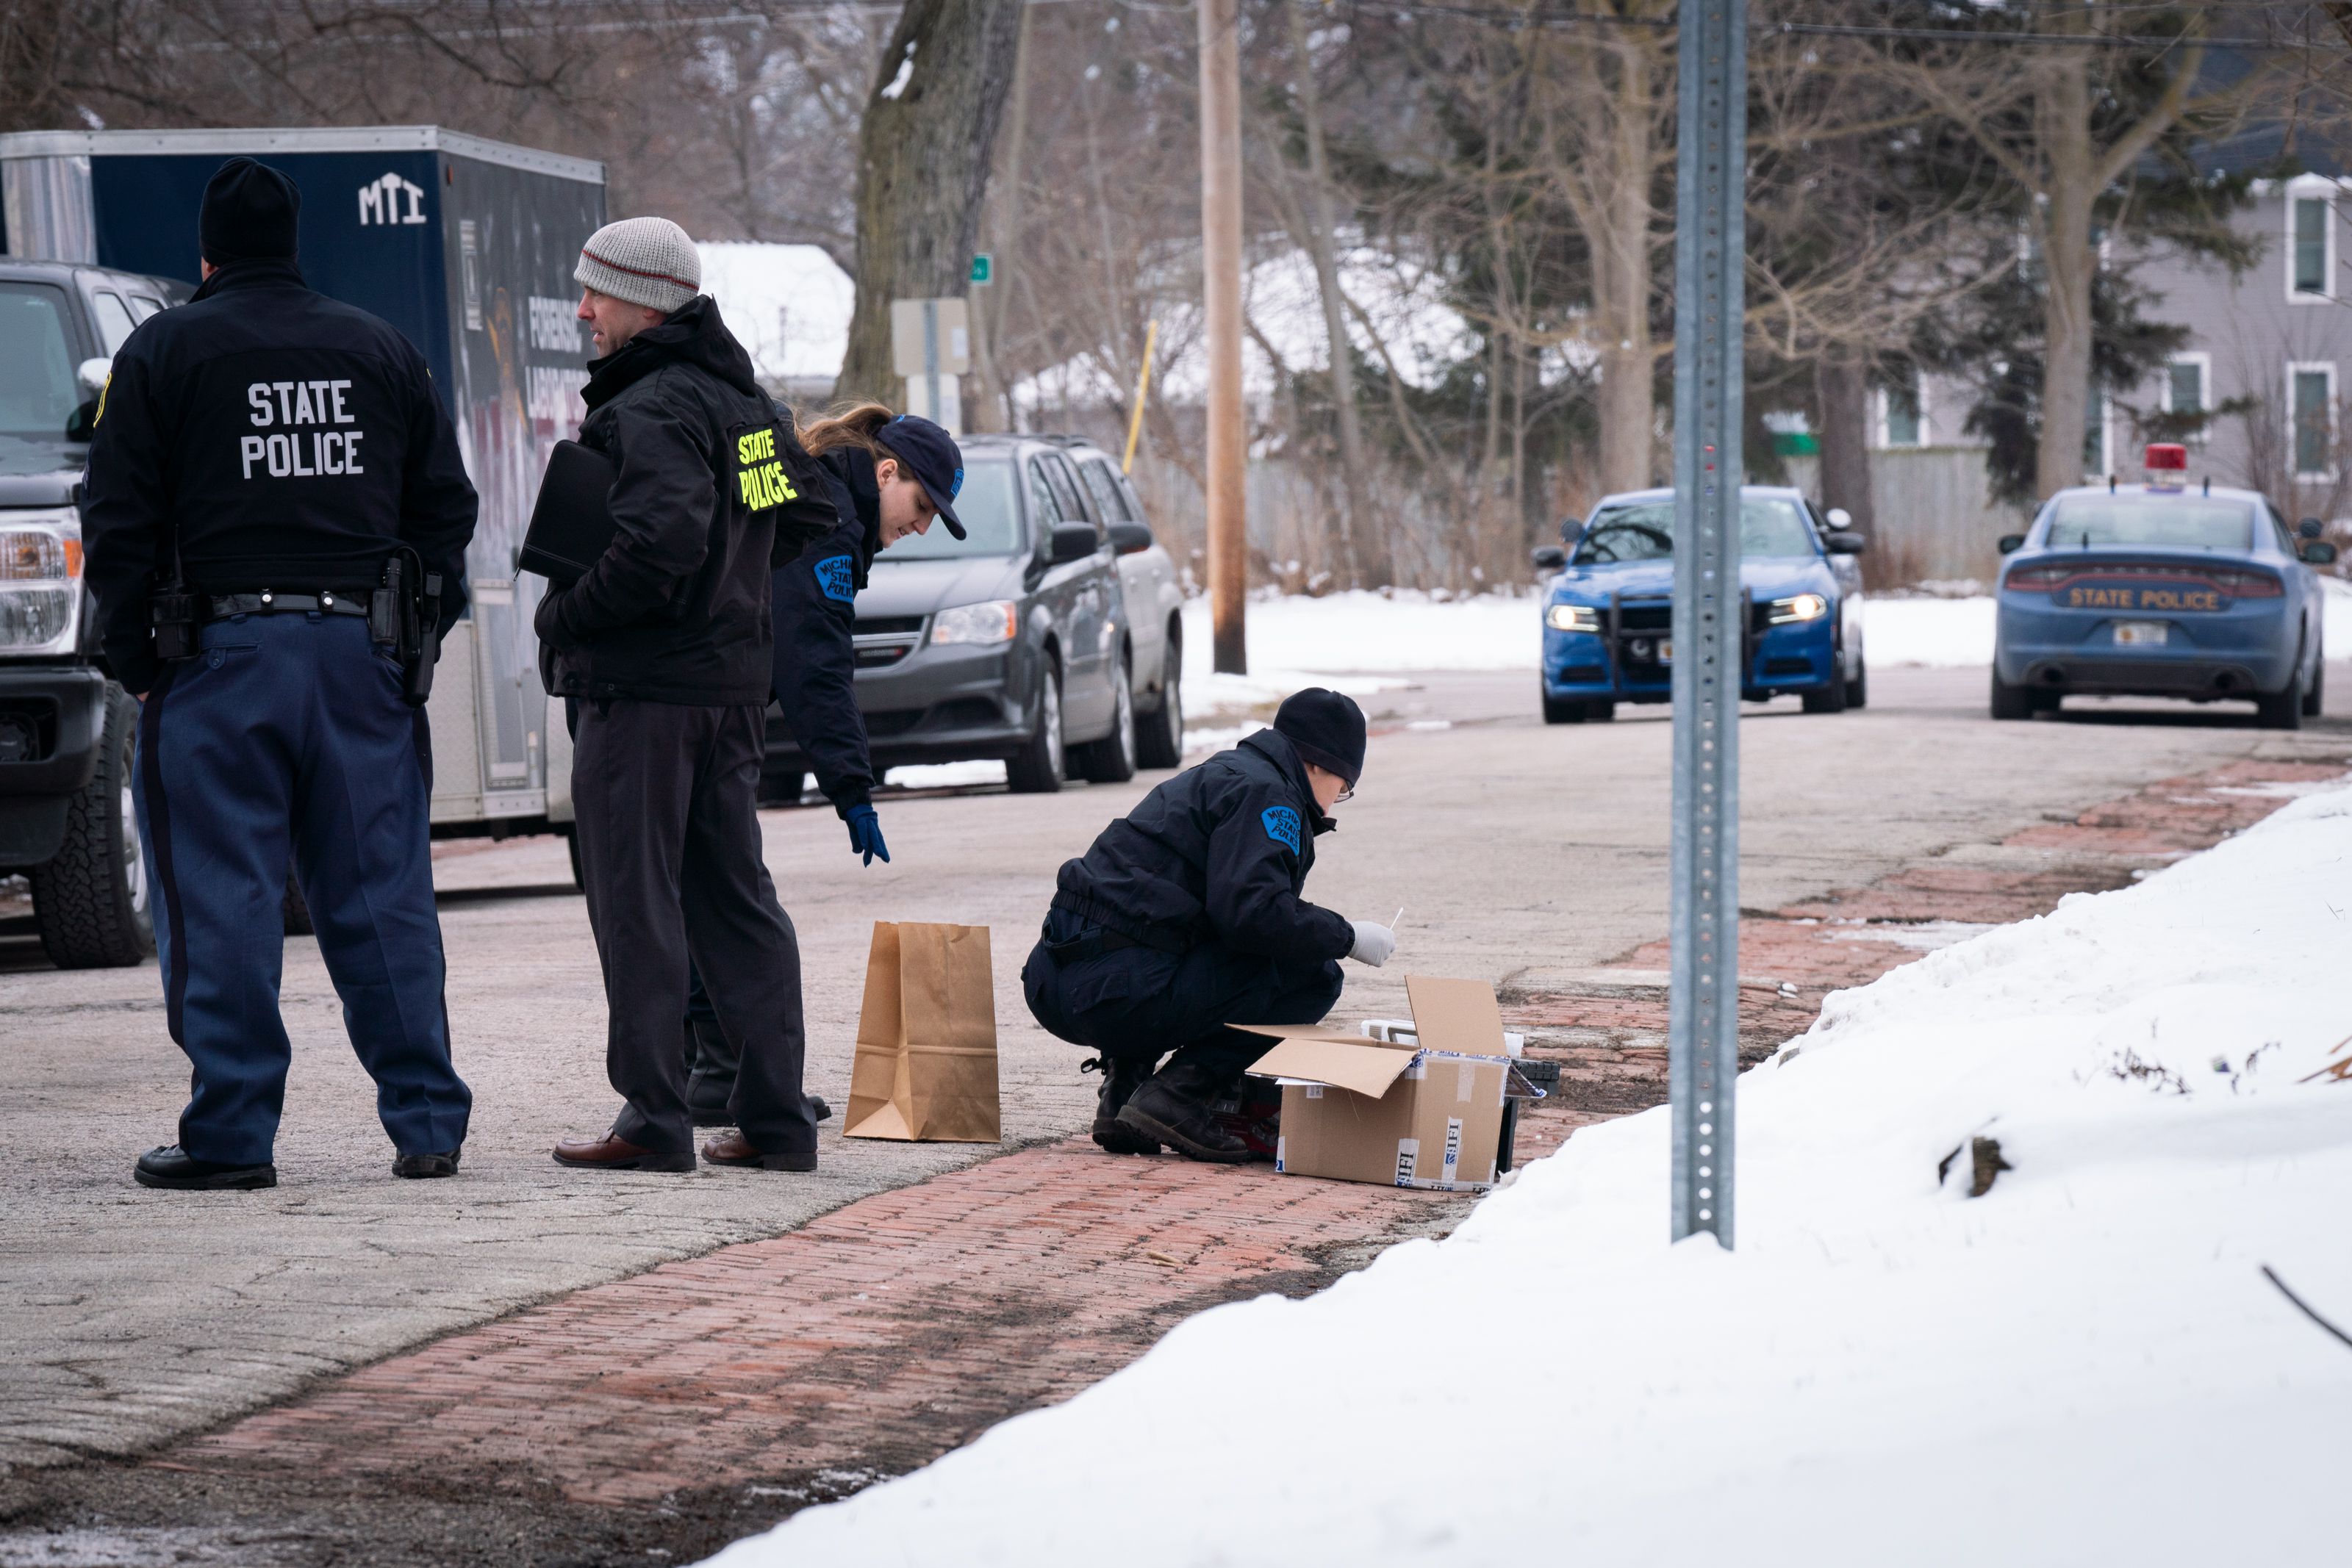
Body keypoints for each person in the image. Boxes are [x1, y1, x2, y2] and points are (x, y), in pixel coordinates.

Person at [82, 157, 478, 1190]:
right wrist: (416, 637)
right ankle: (428, 1120)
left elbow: (117, 520)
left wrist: (139, 662)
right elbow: (445, 509)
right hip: (360, 662)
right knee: (381, 895)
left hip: (217, 664)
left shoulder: (162, 351)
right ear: (295, 244)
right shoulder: (380, 349)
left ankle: (234, 1132)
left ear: (205, 252)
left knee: (222, 897)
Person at [537, 216, 836, 1174]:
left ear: (647, 297)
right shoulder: (741, 401)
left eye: (596, 291)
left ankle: (655, 1116)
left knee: (637, 900)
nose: (583, 308)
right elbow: (798, 515)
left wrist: (569, 613)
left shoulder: (654, 404)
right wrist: (731, 592)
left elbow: (659, 543)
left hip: (647, 690)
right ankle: (779, 1121)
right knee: (736, 899)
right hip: (731, 690)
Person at [682, 403, 967, 1131]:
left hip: (687, 696)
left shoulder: (813, 491)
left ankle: (716, 1072)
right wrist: (851, 788)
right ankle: (735, 1078)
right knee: (731, 894)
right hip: (695, 700)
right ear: (884, 471)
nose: (921, 525)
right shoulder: (829, 522)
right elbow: (817, 665)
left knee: (701, 884)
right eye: (921, 504)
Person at [1021, 688, 1397, 1162]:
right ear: (1319, 763)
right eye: (1343, 786)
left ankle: (1123, 1096)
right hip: (1114, 991)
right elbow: (1255, 916)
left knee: (1179, 942)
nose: (1335, 803)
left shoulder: (1220, 774)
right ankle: (1175, 1096)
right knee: (1313, 975)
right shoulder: (1271, 797)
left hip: (1053, 983)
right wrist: (1347, 936)